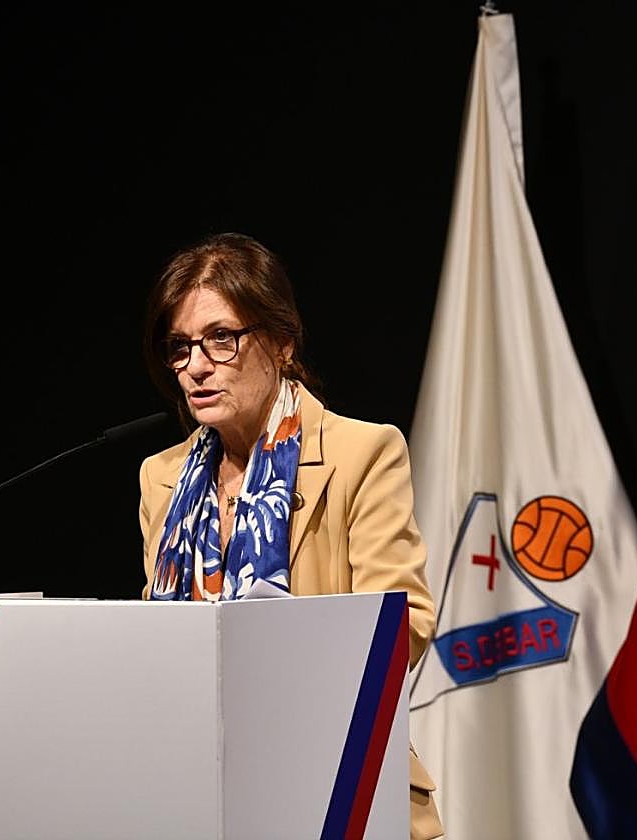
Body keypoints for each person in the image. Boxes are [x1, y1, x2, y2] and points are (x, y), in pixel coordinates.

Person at [137, 232, 442, 839]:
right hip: (200, 790)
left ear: (280, 341)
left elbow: (404, 625)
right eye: (180, 347)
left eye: (221, 338)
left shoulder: (363, 453)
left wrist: (273, 655)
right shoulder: (161, 479)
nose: (195, 366)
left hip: (340, 783)